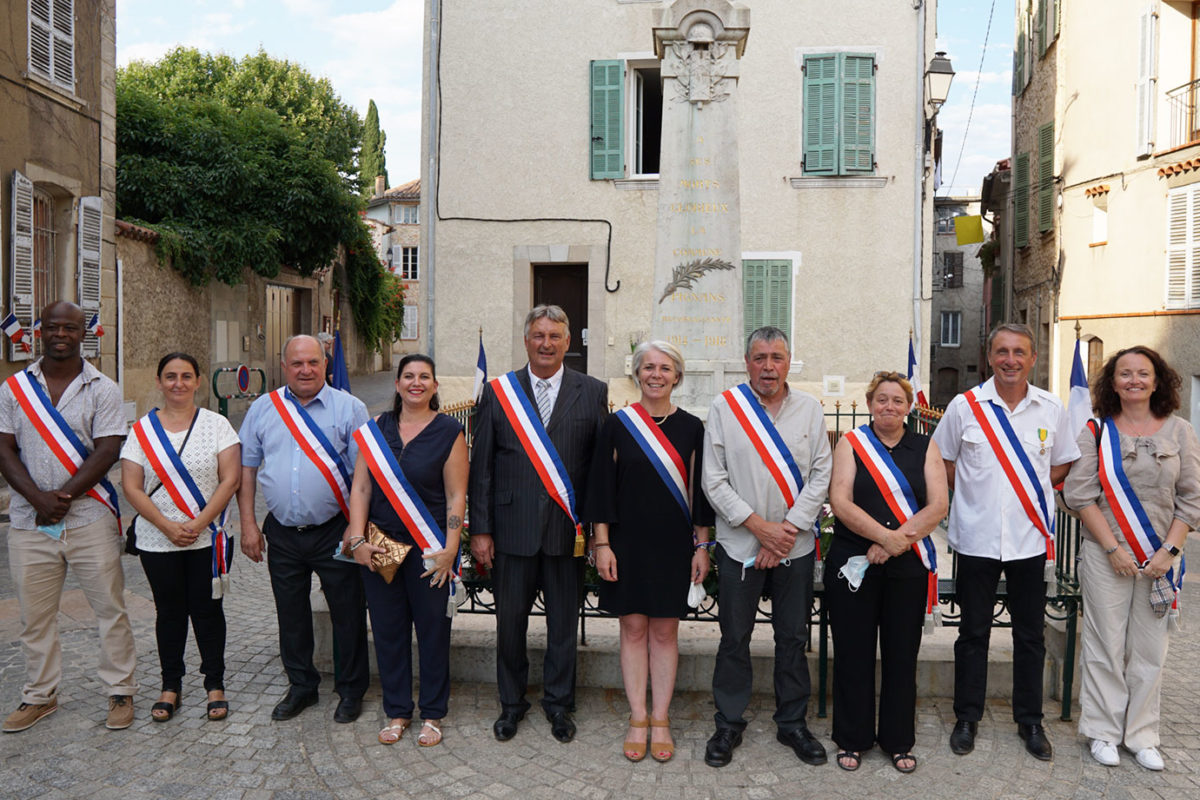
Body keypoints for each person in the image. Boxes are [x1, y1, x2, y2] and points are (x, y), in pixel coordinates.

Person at [933, 322, 1079, 760]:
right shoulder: (965, 406)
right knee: (972, 632)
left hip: (1028, 541)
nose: (1010, 360)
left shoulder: (1052, 409)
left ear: (1033, 358)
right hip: (976, 539)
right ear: (990, 355)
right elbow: (942, 461)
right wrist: (978, 491)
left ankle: (1030, 721)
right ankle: (967, 717)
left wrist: (1022, 494)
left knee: (1029, 636)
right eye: (1002, 351)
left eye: (1019, 352)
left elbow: (1061, 467)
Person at [469, 304, 608, 744]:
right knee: (509, 625)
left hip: (568, 534)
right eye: (538, 335)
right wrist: (481, 530)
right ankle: (511, 704)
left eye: (555, 336)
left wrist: (598, 533)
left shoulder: (593, 391)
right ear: (526, 340)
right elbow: (483, 468)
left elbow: (598, 470)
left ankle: (559, 704)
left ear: (568, 342)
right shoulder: (499, 392)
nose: (546, 343)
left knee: (564, 626)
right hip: (512, 530)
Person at [0, 301, 137, 732]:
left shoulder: (104, 389)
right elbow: (3, 448)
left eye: (71, 328)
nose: (61, 334)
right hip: (28, 520)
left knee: (110, 608)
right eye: (53, 327)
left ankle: (120, 691)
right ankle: (39, 695)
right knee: (34, 616)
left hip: (89, 517)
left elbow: (109, 449)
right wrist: (38, 499)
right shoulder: (13, 389)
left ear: (84, 333)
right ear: (39, 330)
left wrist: (62, 496)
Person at [1064, 346, 1200, 771]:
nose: (1134, 380)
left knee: (1150, 649)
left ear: (1157, 380)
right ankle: (1103, 731)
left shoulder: (1180, 431)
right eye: (1125, 374)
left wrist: (1170, 552)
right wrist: (1113, 549)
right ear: (1113, 382)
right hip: (1108, 555)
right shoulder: (1097, 431)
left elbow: (1192, 499)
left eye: (1143, 373)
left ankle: (1141, 735)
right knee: (1105, 644)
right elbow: (1079, 494)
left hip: (1162, 558)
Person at [701, 326, 831, 768]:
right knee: (733, 637)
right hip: (741, 544)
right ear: (746, 361)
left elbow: (820, 475)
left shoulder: (810, 410)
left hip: (794, 545)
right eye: (760, 358)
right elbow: (713, 479)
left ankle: (792, 722)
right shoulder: (725, 407)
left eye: (777, 357)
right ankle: (729, 722)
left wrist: (785, 531)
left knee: (793, 637)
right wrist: (761, 528)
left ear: (788, 361)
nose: (769, 367)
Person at [585, 341, 714, 763]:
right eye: (648, 367)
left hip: (674, 544)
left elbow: (700, 495)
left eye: (665, 368)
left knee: (664, 631)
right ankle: (637, 716)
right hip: (626, 544)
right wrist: (601, 544)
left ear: (677, 376)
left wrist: (701, 546)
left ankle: (661, 718)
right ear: (637, 374)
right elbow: (602, 488)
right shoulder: (618, 425)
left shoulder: (694, 427)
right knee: (633, 628)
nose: (656, 375)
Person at [238, 334, 370, 723]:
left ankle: (350, 690)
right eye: (297, 364)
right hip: (282, 532)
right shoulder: (263, 409)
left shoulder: (350, 408)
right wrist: (248, 524)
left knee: (347, 613)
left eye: (313, 362)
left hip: (336, 530)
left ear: (325, 364)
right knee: (290, 615)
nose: (305, 370)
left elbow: (366, 474)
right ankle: (301, 687)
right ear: (284, 367)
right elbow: (246, 468)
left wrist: (356, 527)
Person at [826, 372, 948, 773]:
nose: (889, 407)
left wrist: (897, 543)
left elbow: (938, 505)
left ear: (909, 407)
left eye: (897, 400)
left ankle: (898, 739)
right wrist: (886, 538)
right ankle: (852, 737)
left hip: (907, 566)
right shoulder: (852, 443)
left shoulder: (925, 446)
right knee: (853, 652)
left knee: (901, 655)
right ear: (869, 403)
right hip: (854, 562)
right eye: (881, 400)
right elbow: (840, 501)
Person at [344, 354, 467, 748]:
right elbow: (361, 487)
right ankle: (397, 710)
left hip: (430, 548)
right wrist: (358, 539)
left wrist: (450, 549)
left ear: (434, 386)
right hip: (380, 545)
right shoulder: (376, 430)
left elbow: (456, 495)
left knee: (433, 632)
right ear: (396, 384)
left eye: (424, 377)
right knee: (388, 631)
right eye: (408, 376)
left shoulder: (450, 432)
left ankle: (432, 713)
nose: (416, 382)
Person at [120, 352, 241, 722]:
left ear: (198, 381)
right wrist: (168, 526)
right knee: (169, 613)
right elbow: (131, 485)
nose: (178, 383)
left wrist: (198, 523)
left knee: (208, 611)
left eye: (186, 376)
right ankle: (170, 684)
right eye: (170, 376)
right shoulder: (141, 430)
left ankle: (214, 685)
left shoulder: (218, 424)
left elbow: (230, 478)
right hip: (158, 539)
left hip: (209, 536)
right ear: (159, 382)